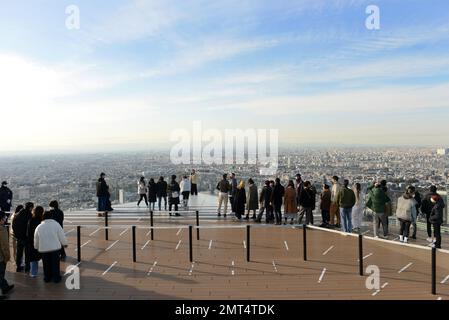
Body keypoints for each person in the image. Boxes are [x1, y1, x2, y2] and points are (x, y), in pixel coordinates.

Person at [34, 211, 68, 283]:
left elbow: (36, 238)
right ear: (51, 216)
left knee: (46, 264)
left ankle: (47, 277)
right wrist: (64, 243)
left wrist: (36, 246)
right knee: (55, 264)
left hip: (44, 249)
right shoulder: (56, 224)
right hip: (55, 248)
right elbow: (61, 235)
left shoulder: (39, 226)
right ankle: (56, 278)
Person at [12, 202, 34, 273]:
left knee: (19, 253)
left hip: (19, 237)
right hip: (26, 238)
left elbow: (14, 225)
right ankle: (27, 268)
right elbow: (31, 227)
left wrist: (16, 235)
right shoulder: (29, 215)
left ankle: (18, 267)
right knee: (27, 253)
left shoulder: (18, 214)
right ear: (30, 207)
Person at [0, 211, 14, 299]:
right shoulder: (2, 229)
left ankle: (5, 287)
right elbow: (4, 245)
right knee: (1, 274)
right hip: (0, 257)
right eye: (4, 218)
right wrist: (7, 257)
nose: (5, 219)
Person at [27, 206, 44, 277]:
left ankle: (34, 273)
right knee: (45, 258)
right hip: (42, 242)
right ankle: (47, 272)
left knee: (33, 259)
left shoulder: (31, 220)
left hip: (32, 242)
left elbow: (28, 232)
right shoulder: (42, 221)